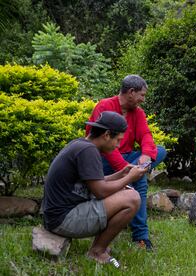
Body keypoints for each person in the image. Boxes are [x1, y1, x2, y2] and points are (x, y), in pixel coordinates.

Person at [43, 111, 148, 268]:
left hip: (55, 216)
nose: (118, 145)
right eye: (118, 140)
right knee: (132, 198)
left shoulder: (81, 145)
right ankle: (97, 252)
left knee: (124, 192)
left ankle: (99, 246)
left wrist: (121, 173)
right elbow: (100, 191)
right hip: (63, 219)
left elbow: (95, 181)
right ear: (106, 135)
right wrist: (129, 178)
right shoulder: (88, 151)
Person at [86, 75, 167, 251]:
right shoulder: (104, 106)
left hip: (130, 158)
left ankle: (134, 175)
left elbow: (145, 136)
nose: (143, 100)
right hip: (104, 159)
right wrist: (127, 170)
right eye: (142, 95)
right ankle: (141, 236)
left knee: (160, 151)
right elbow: (100, 143)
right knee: (140, 181)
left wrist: (145, 156)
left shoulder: (137, 112)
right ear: (131, 92)